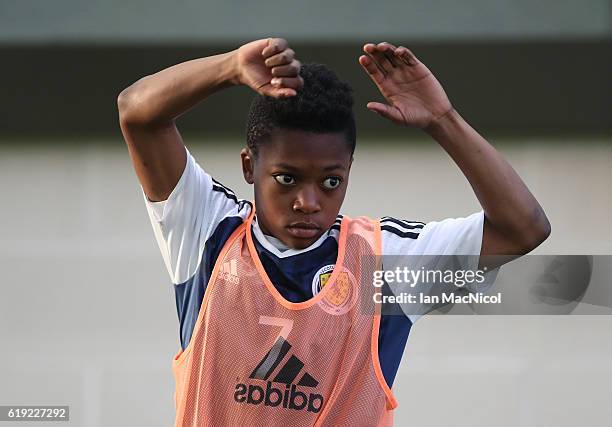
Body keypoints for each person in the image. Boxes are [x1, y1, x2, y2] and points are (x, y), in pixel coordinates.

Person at [117, 37, 550, 426]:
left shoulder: (379, 264)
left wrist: (443, 119)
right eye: (286, 178)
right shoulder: (210, 232)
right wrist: (229, 67)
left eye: (330, 182)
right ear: (250, 166)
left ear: (348, 174)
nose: (309, 201)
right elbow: (137, 112)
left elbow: (523, 230)